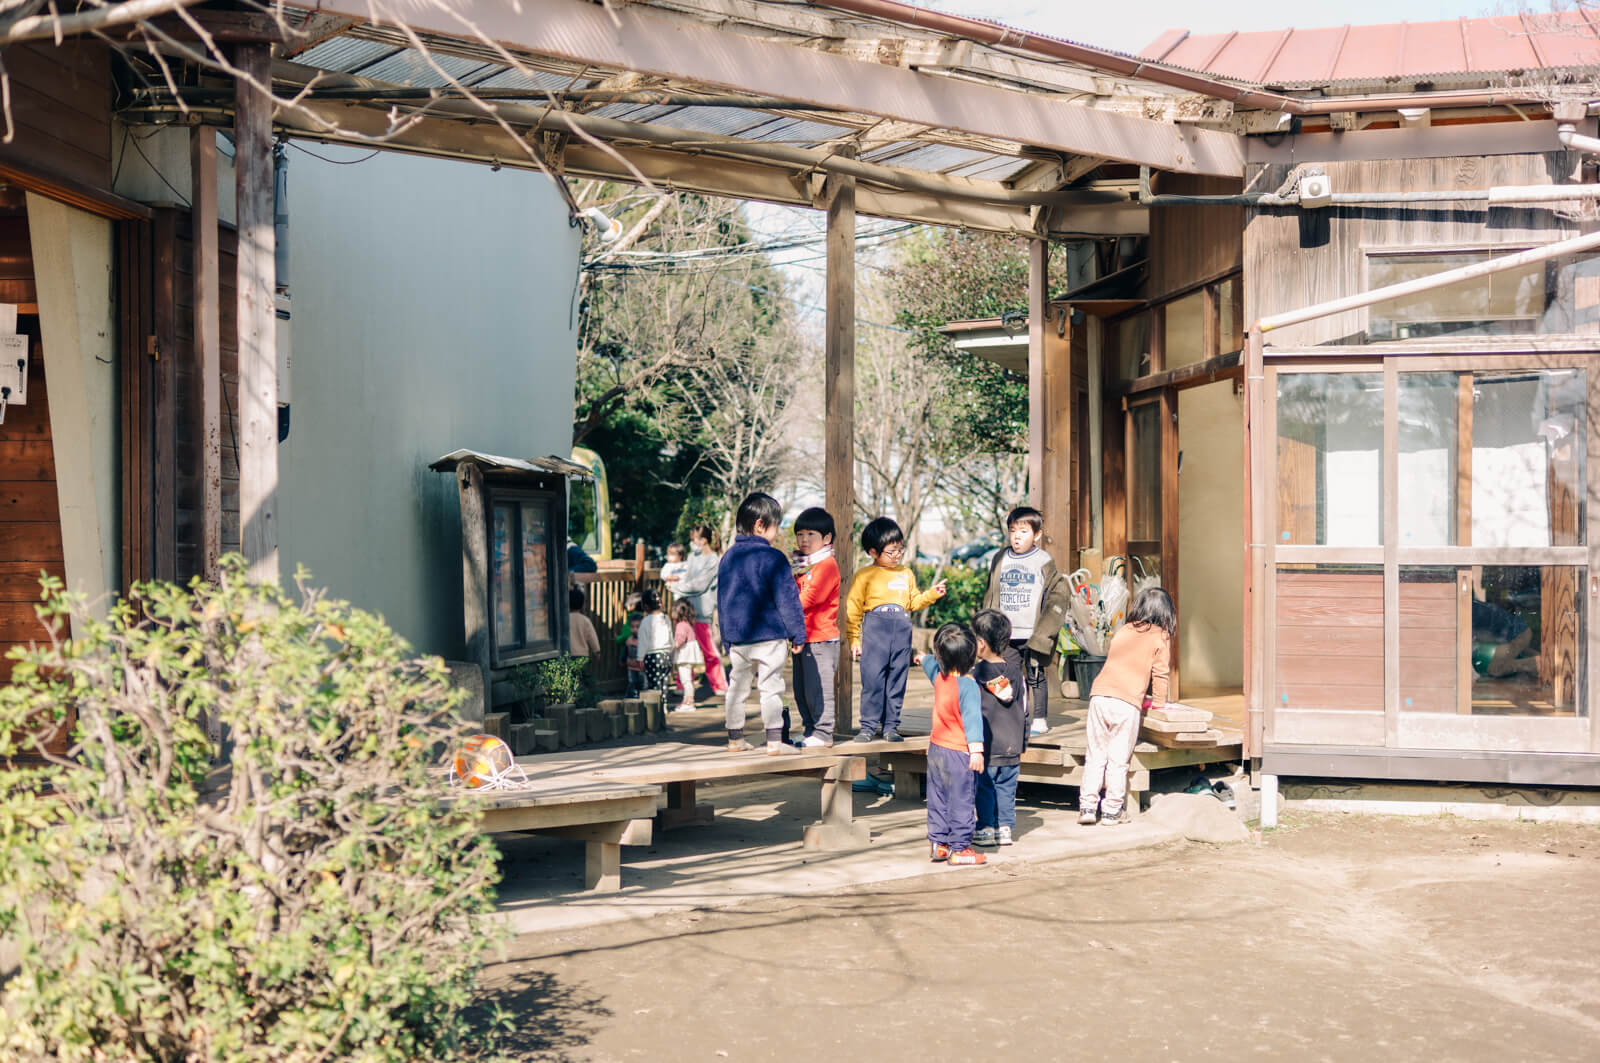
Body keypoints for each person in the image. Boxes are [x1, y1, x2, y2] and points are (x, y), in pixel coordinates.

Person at [716, 493, 807, 755]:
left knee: (737, 687)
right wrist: (797, 634)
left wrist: (726, 638)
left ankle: (735, 739)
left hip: (738, 638)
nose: (777, 532)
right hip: (770, 637)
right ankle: (775, 742)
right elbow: (787, 600)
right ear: (760, 525)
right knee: (771, 688)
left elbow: (722, 601)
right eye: (776, 525)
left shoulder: (728, 558)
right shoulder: (774, 558)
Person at [1079, 587, 1176, 826]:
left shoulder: (1124, 630)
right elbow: (1160, 674)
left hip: (1099, 695)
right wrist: (1159, 703)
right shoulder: (1161, 636)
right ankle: (1112, 811)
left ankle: (1087, 808)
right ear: (1166, 612)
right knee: (1118, 759)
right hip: (1126, 702)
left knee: (1095, 755)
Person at [845, 517, 947, 743]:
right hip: (875, 631)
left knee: (897, 680)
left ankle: (891, 726)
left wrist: (931, 594)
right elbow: (853, 609)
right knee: (873, 681)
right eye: (891, 552)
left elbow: (913, 602)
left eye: (900, 549)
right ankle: (868, 727)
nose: (897, 555)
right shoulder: (864, 575)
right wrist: (854, 639)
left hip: (901, 632)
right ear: (873, 552)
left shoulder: (906, 573)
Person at [981, 506, 1072, 736]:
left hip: (1033, 632)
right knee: (1007, 674)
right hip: (1006, 633)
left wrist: (1046, 630)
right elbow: (991, 593)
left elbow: (1057, 594)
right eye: (1013, 531)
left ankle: (1039, 719)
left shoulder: (1043, 560)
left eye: (1023, 531)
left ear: (1037, 535)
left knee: (1036, 675)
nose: (1017, 537)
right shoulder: (1000, 558)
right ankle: (1014, 716)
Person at [916, 623, 986, 866]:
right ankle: (960, 848)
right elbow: (972, 720)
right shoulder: (969, 686)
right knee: (961, 799)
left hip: (936, 749)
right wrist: (976, 750)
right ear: (971, 656)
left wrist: (923, 657)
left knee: (937, 797)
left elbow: (929, 664)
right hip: (958, 753)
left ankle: (939, 844)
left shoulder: (939, 677)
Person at [970, 609, 1028, 848]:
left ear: (981, 643)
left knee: (985, 787)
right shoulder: (1016, 673)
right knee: (1006, 787)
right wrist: (1023, 741)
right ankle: (1004, 828)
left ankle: (985, 828)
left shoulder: (976, 674)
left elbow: (971, 709)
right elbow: (1025, 708)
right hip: (1012, 743)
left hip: (988, 743)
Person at [788, 506, 841, 748]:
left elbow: (811, 598)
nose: (804, 539)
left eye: (811, 534)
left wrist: (783, 607)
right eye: (800, 534)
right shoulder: (801, 566)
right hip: (802, 638)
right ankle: (810, 730)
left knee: (819, 690)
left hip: (822, 639)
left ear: (826, 538)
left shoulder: (827, 564)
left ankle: (823, 733)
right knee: (802, 690)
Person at [662, 525, 728, 696]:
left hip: (701, 611)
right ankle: (683, 685)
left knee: (708, 650)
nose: (692, 543)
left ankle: (719, 685)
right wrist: (677, 581)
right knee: (682, 649)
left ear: (704, 540)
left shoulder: (713, 560)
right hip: (685, 611)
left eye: (694, 539)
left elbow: (700, 585)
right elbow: (687, 578)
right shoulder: (692, 557)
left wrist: (675, 586)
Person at [1471, 597, 1539, 678]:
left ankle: (1536, 663)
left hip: (1516, 635)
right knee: (1521, 652)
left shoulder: (1471, 610)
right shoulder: (1474, 606)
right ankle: (1540, 661)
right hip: (1520, 632)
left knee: (1495, 669)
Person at [635, 588, 674, 703]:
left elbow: (643, 641)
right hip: (666, 655)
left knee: (654, 683)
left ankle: (657, 706)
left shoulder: (646, 621)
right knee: (664, 682)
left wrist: (639, 658)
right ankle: (664, 704)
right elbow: (670, 636)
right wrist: (671, 649)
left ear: (645, 606)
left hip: (652, 656)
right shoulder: (666, 618)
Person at [670, 597, 704, 711]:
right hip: (689, 656)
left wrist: (670, 648)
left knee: (686, 681)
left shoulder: (681, 625)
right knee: (688, 680)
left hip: (685, 656)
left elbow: (679, 641)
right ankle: (686, 701)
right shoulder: (687, 624)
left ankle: (689, 702)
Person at [568, 586, 602, 661]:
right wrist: (597, 651)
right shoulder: (585, 620)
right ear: (582, 604)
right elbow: (592, 636)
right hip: (582, 655)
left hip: (567, 654)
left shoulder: (564, 620)